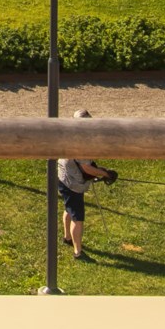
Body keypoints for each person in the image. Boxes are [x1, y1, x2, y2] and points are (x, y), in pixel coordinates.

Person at [55, 112, 118, 261]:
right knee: (78, 218)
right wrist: (106, 174)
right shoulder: (81, 143)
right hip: (72, 183)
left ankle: (67, 238)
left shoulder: (69, 134)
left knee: (68, 208)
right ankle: (78, 252)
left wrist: (101, 172)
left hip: (62, 178)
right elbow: (86, 168)